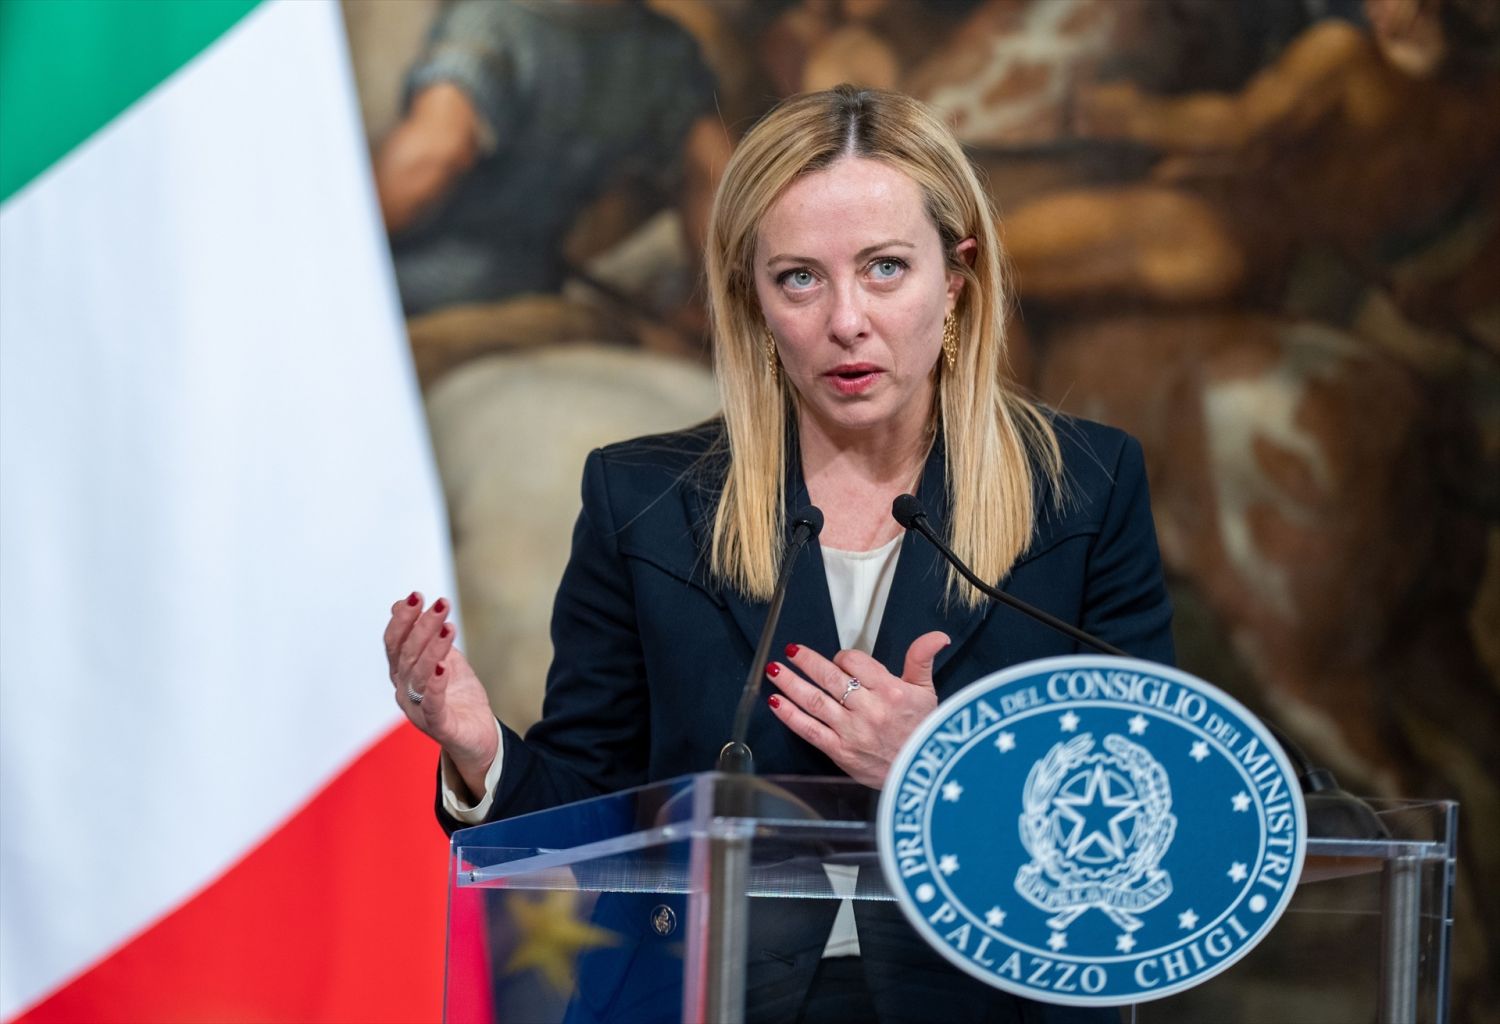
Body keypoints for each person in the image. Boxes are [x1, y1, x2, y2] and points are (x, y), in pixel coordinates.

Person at [384, 86, 1173, 1024]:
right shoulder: (646, 502)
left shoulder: (1083, 488)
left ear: (956, 278)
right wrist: (481, 758)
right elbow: (586, 819)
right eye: (800, 277)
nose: (846, 319)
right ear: (752, 299)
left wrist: (950, 770)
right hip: (706, 996)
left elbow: (1149, 818)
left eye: (885, 269)